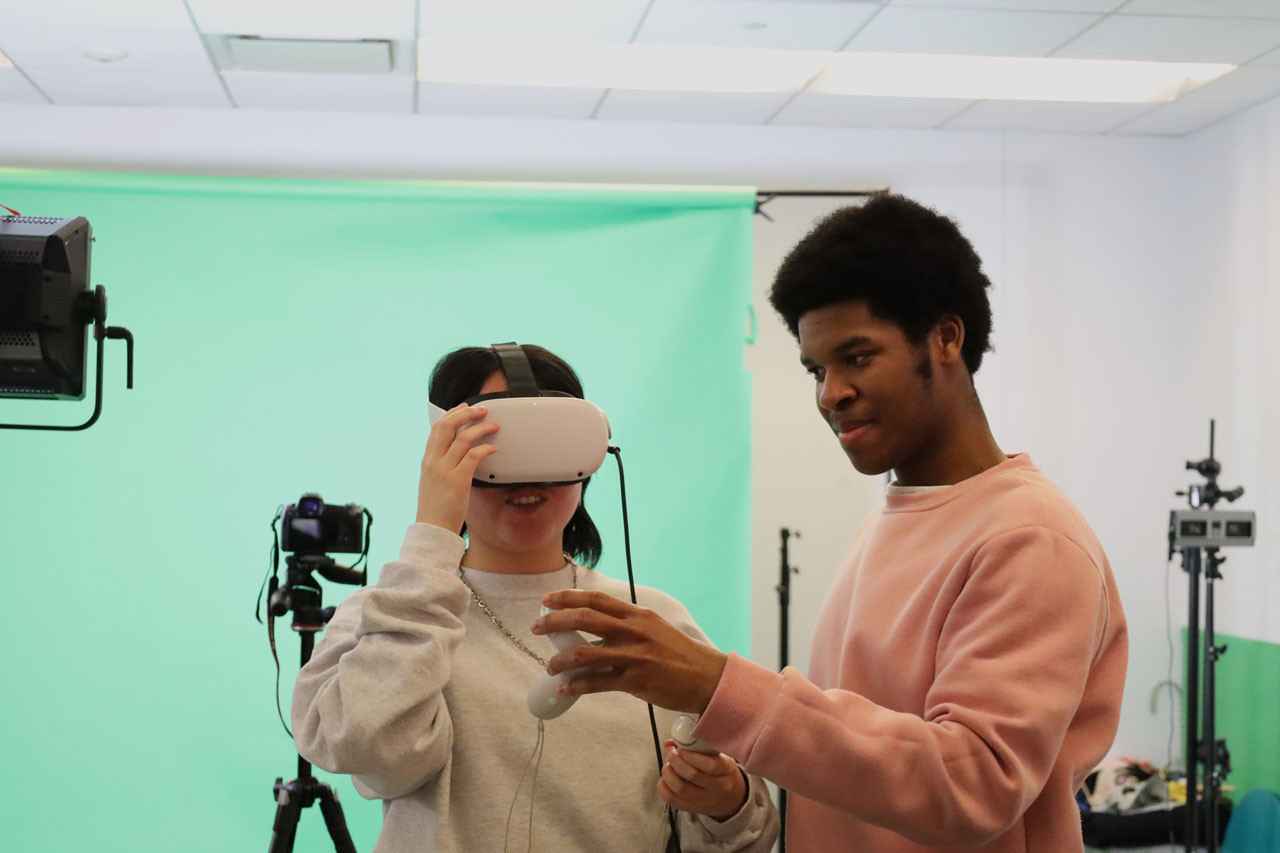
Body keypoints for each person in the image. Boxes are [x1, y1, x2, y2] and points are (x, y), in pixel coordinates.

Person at [531, 195, 1129, 852]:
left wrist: (719, 686)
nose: (830, 392)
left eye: (858, 357)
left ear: (946, 337)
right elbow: (857, 768)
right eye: (817, 369)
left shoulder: (1029, 536)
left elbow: (972, 784)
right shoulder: (893, 520)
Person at [291, 344, 778, 853]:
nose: (529, 477)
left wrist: (728, 803)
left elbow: (745, 835)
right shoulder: (382, 617)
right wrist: (431, 535)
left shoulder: (651, 619)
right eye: (494, 445)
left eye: (550, 446)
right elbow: (375, 753)